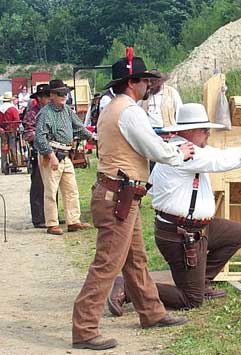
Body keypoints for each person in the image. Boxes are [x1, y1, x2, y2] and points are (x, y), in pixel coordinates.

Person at [71, 54, 196, 351]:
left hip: (120, 195)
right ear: (132, 83)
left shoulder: (115, 107)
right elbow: (153, 149)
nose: (149, 84)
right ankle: (85, 329)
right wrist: (181, 153)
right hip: (119, 195)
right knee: (107, 264)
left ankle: (151, 312)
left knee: (135, 259)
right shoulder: (129, 111)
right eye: (144, 80)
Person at [107, 103, 241, 315]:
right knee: (190, 300)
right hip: (181, 234)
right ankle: (130, 287)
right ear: (188, 131)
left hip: (193, 228)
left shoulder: (185, 149)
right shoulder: (186, 153)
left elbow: (221, 156)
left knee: (237, 233)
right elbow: (221, 160)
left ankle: (202, 281)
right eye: (203, 129)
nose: (208, 133)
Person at [34, 80, 93, 235]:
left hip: (65, 154)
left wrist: (92, 138)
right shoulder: (45, 113)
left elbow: (79, 128)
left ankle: (73, 221)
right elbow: (40, 138)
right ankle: (52, 224)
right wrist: (51, 155)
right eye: (60, 93)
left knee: (71, 189)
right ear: (51, 95)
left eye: (65, 93)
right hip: (52, 154)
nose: (64, 96)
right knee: (51, 191)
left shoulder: (67, 110)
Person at [22, 84, 51, 228]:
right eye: (46, 96)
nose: (49, 98)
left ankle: (52, 215)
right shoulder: (32, 113)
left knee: (52, 186)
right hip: (39, 152)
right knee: (38, 186)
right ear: (39, 98)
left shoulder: (52, 111)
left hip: (53, 151)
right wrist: (43, 138)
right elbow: (28, 133)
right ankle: (38, 218)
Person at [0, 92, 21, 166]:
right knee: (13, 147)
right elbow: (16, 120)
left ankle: (4, 164)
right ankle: (15, 163)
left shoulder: (0, 108)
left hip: (2, 130)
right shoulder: (13, 109)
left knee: (4, 147)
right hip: (11, 130)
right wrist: (13, 128)